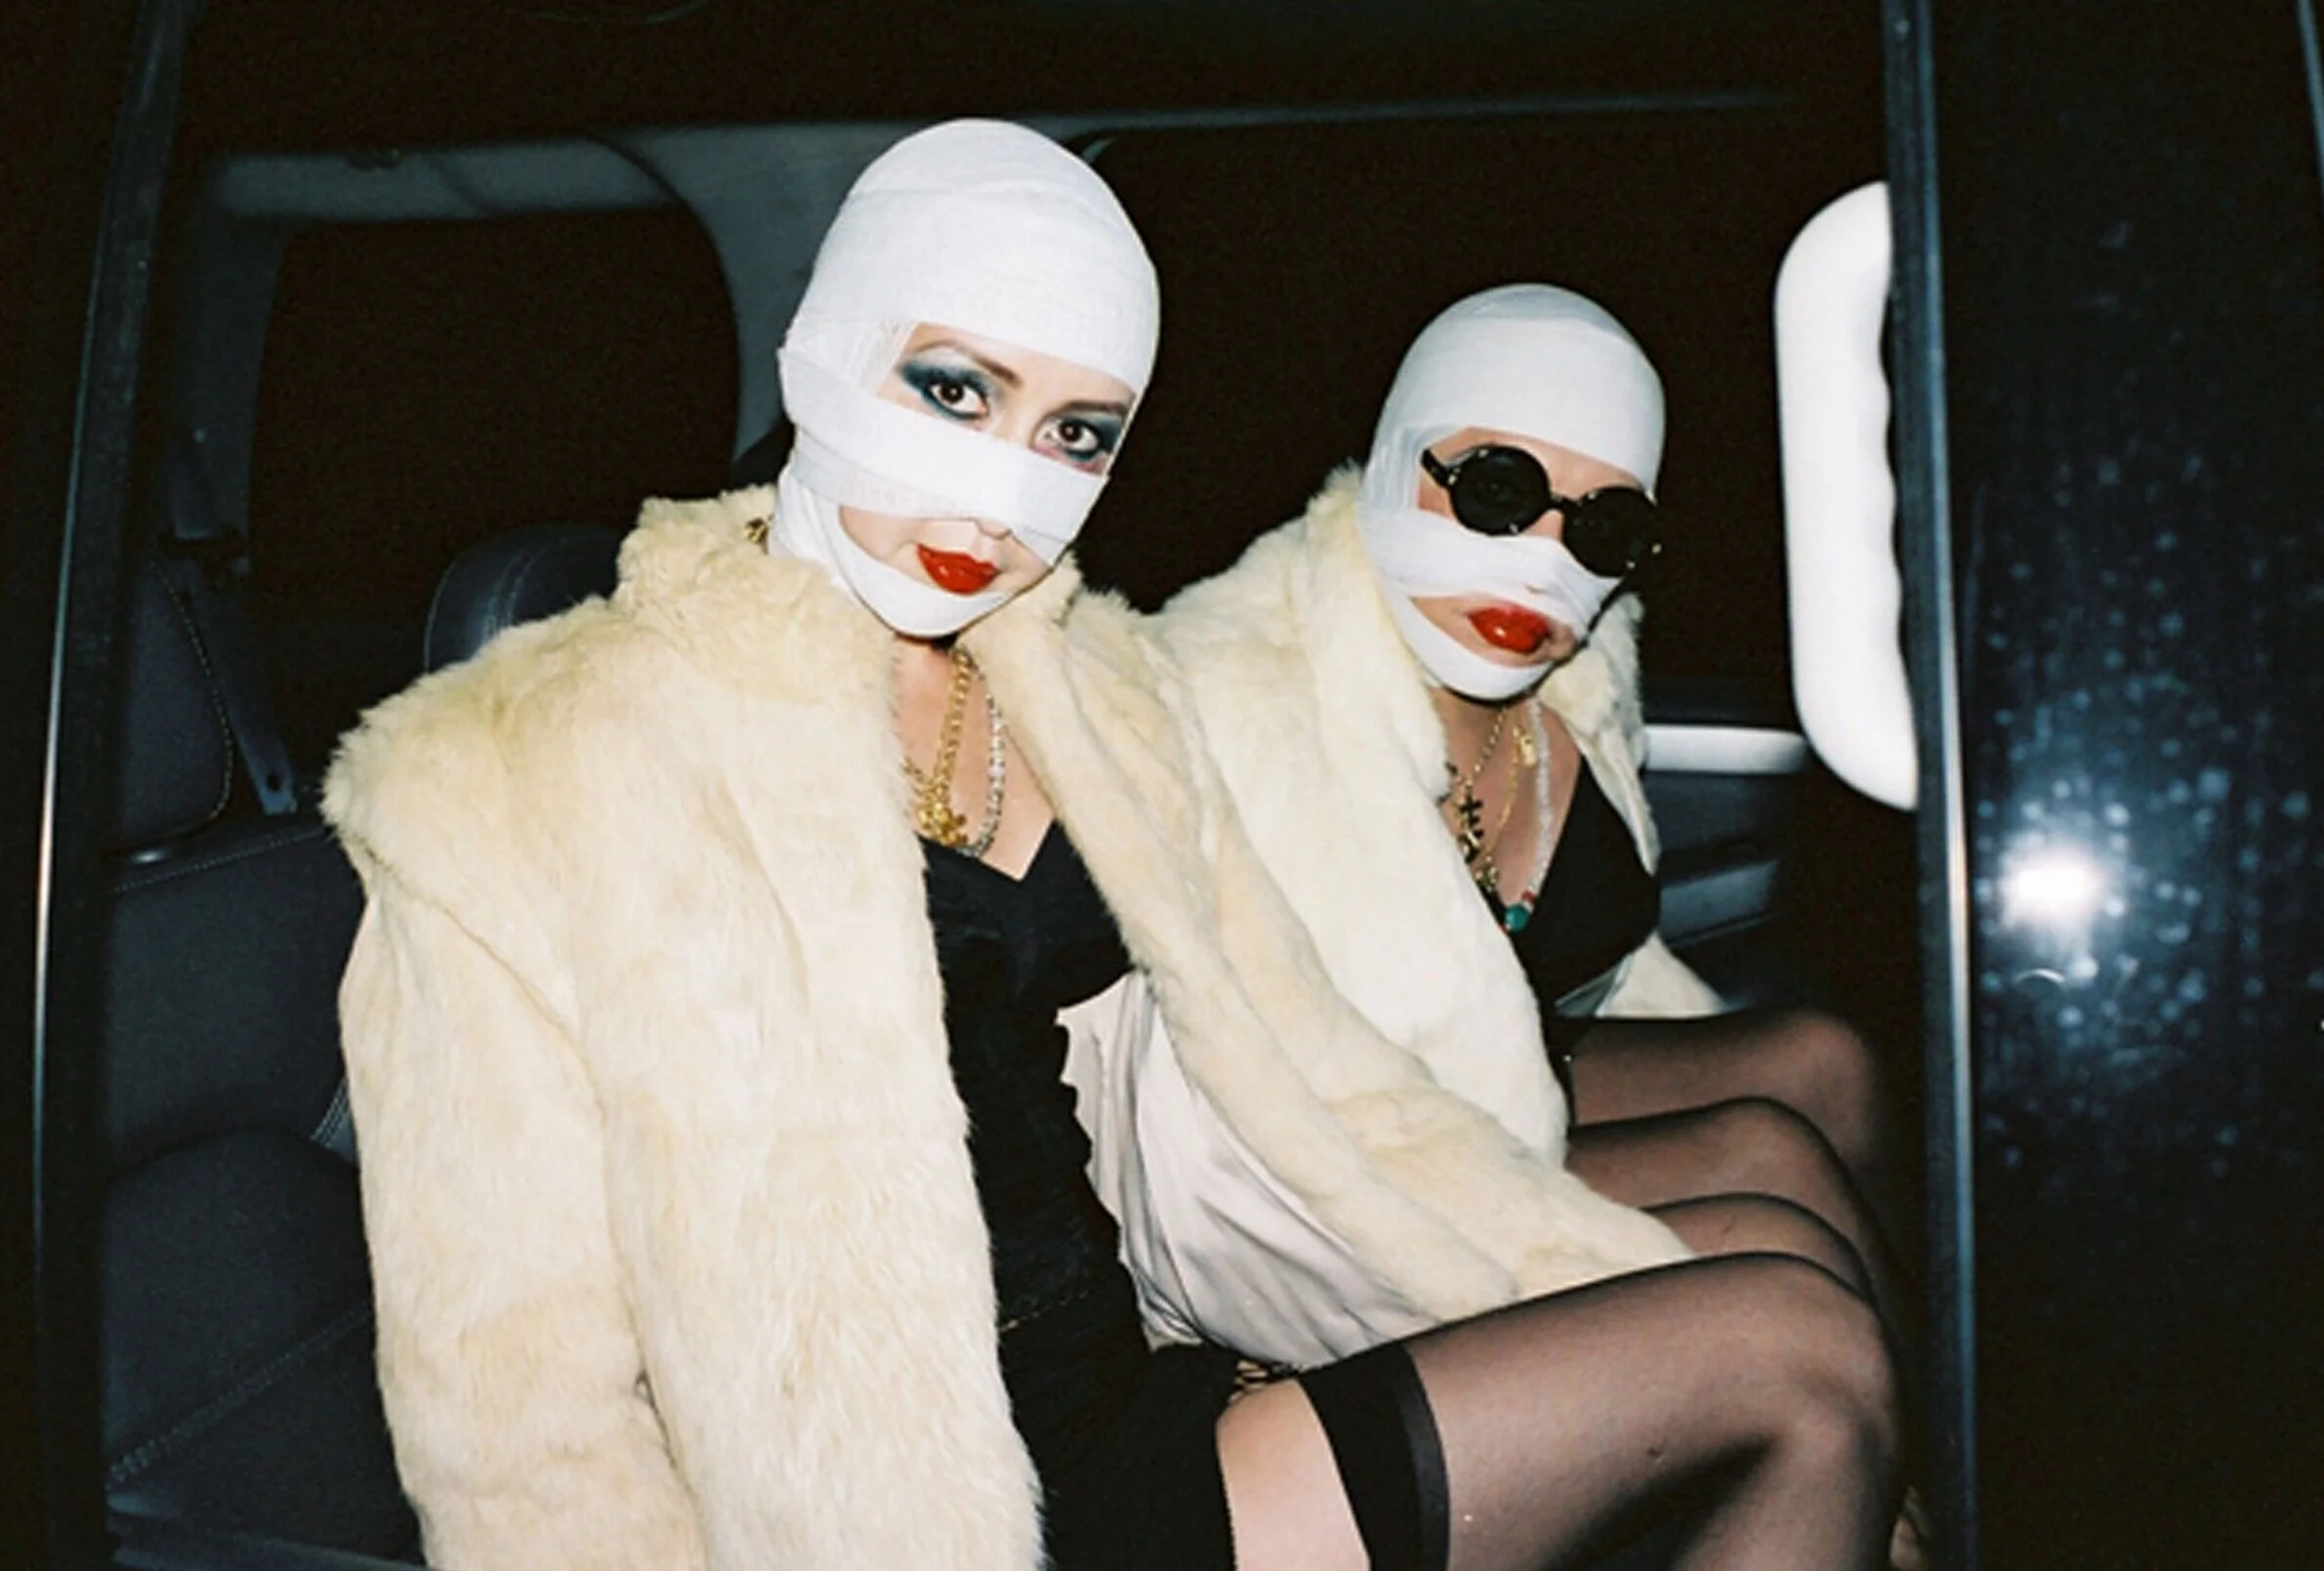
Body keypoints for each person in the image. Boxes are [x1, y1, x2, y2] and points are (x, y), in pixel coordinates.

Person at [326, 126, 1899, 1571]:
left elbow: (1298, 1076)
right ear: (826, 350)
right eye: (956, 390)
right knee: (1799, 1356)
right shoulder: (501, 774)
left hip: (1142, 1378)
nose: (1004, 491)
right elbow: (519, 1407)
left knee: (1785, 1280)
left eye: (1076, 432)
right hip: (905, 1515)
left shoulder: (1100, 691)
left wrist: (1452, 1278)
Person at [1150, 284, 1914, 1334]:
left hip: (1515, 1077)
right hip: (1345, 1162)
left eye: (1603, 526)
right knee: (1770, 1177)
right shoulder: (1228, 695)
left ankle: (1955, 1416)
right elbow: (1226, 1121)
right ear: (1398, 461)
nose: (1546, 554)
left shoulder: (1581, 680)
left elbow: (1588, 986)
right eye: (1499, 490)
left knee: (1827, 1064)